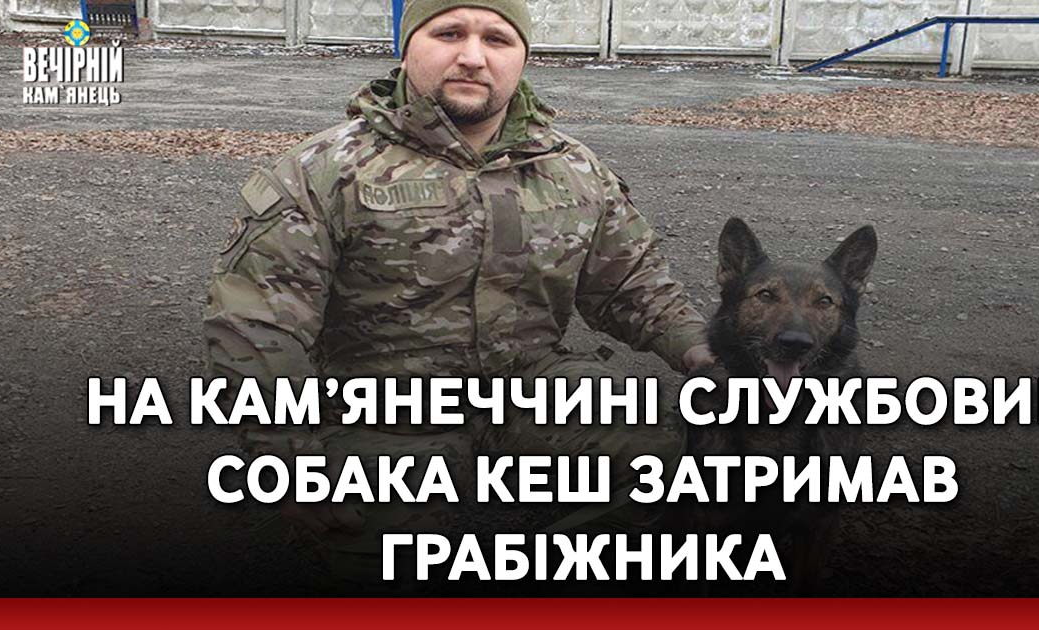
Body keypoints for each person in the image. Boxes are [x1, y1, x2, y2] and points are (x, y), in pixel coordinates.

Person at [203, 0, 713, 587]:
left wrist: (702, 350)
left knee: (677, 473)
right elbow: (257, 320)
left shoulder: (572, 169)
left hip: (531, 385)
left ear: (522, 58)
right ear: (407, 48)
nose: (472, 56)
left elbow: (632, 282)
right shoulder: (324, 170)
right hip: (381, 409)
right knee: (376, 555)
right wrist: (285, 455)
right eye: (449, 33)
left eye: (497, 39)